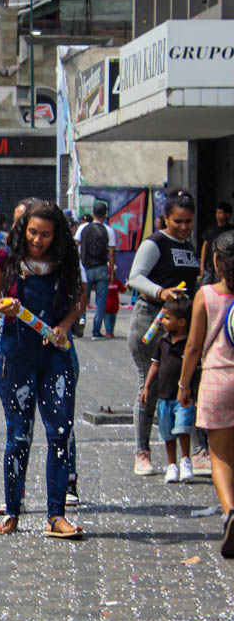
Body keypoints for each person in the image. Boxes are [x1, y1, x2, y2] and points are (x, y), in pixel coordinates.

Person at [0, 200, 85, 539]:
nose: (39, 240)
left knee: (59, 434)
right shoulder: (3, 261)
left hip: (56, 357)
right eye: (34, 233)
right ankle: (12, 512)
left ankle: (56, 516)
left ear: (58, 236)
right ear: (23, 229)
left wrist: (66, 325)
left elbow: (80, 296)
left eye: (47, 235)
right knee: (19, 435)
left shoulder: (65, 261)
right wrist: (1, 308)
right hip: (16, 358)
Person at [127, 190, 201, 476]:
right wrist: (161, 292)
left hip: (182, 325)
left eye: (188, 221)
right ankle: (142, 451)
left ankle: (193, 451)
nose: (183, 227)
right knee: (150, 384)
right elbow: (135, 277)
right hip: (152, 319)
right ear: (166, 218)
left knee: (185, 383)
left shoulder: (190, 246)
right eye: (178, 221)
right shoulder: (155, 243)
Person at [178, 231, 234, 555]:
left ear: (216, 261)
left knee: (221, 458)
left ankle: (230, 514)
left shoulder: (206, 294)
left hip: (217, 380)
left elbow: (193, 346)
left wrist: (184, 385)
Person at [139, 296, 198, 483]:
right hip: (164, 396)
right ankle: (172, 465)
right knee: (167, 433)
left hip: (183, 396)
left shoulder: (189, 343)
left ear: (181, 322)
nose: (162, 321)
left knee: (182, 429)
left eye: (167, 318)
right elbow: (155, 365)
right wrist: (147, 387)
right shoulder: (163, 342)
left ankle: (185, 460)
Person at [77, 202, 116, 341]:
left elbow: (75, 245)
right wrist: (111, 272)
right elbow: (111, 254)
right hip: (101, 268)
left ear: (93, 213)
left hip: (85, 268)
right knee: (101, 302)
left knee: (82, 298)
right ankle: (96, 331)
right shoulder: (109, 231)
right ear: (105, 215)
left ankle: (81, 321)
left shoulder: (83, 228)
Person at [200, 201, 233, 286]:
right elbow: (205, 245)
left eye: (220, 213)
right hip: (210, 265)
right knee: (204, 286)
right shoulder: (211, 228)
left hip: (225, 266)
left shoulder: (231, 230)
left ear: (227, 215)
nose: (217, 215)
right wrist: (202, 264)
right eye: (217, 212)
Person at [95, 274, 126, 339]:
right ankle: (111, 332)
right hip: (115, 304)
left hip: (106, 304)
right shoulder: (117, 282)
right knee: (113, 319)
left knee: (107, 319)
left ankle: (108, 332)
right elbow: (123, 290)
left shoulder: (103, 283)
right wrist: (127, 284)